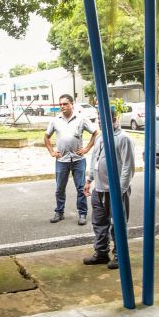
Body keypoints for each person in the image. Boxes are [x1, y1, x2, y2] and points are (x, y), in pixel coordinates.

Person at [82, 108, 135, 269]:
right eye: (99, 120)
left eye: (105, 119)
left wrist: (120, 190)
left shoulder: (123, 138)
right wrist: (89, 179)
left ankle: (120, 255)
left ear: (114, 119)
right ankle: (101, 252)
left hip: (116, 191)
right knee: (99, 223)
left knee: (118, 224)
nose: (101, 122)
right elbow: (94, 160)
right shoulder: (99, 137)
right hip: (99, 189)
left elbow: (128, 167)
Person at [44, 94, 99, 226]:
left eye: (65, 104)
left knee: (81, 188)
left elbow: (95, 133)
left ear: (71, 104)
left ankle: (82, 214)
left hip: (78, 159)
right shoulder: (55, 120)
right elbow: (46, 137)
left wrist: (86, 149)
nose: (62, 106)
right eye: (61, 104)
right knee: (59, 189)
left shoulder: (81, 119)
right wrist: (52, 151)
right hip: (61, 160)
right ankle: (59, 212)